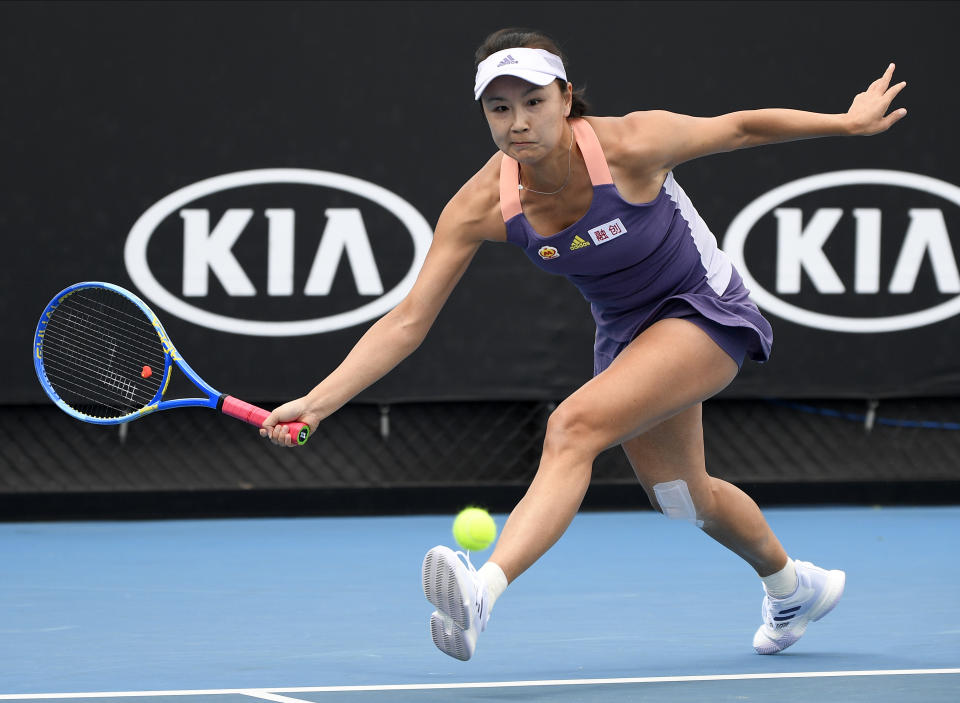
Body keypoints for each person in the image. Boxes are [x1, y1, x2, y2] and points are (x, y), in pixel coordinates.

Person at [261, 28, 907, 661]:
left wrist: (845, 124)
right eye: (500, 107)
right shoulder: (481, 206)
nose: (519, 121)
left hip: (703, 307)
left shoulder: (631, 145)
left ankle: (482, 591)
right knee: (683, 498)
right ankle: (793, 586)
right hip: (628, 334)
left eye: (535, 101)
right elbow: (409, 319)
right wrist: (319, 401)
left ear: (566, 99)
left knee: (572, 426)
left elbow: (738, 127)